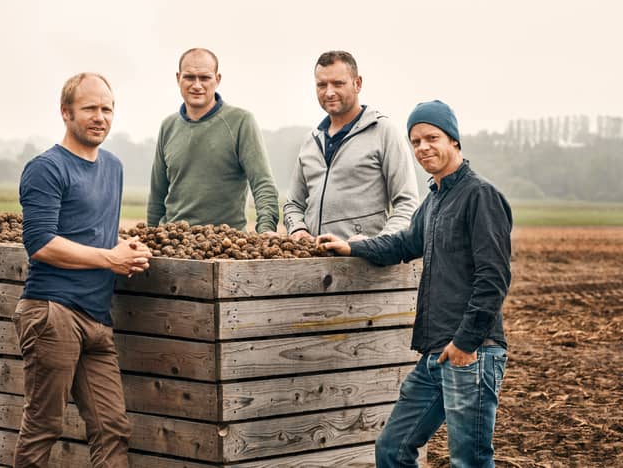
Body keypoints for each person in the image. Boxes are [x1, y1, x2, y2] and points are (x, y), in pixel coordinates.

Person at [318, 100, 512, 467]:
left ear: (453, 140)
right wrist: (351, 247)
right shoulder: (435, 200)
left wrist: (464, 344)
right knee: (392, 448)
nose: (423, 147)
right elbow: (405, 244)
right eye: (416, 141)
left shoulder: (480, 196)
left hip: (471, 352)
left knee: (468, 460)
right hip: (436, 354)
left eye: (431, 137)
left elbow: (494, 279)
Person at [15, 72, 152, 467]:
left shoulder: (113, 166)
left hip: (96, 317)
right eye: (90, 108)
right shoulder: (46, 168)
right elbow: (40, 243)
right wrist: (111, 259)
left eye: (107, 109)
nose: (100, 117)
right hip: (52, 312)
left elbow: (94, 233)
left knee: (112, 428)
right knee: (43, 426)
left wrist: (124, 248)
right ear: (65, 112)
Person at [283, 50, 418, 242]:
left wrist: (377, 246)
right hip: (314, 265)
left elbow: (407, 204)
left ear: (357, 83)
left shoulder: (384, 132)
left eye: (338, 83)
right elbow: (293, 204)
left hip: (365, 266)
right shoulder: (310, 141)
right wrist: (297, 228)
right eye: (322, 85)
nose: (329, 92)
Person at [147, 48, 279, 233]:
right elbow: (157, 194)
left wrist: (266, 230)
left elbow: (262, 183)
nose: (197, 85)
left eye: (205, 78)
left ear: (217, 79)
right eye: (189, 77)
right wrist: (150, 236)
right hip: (174, 241)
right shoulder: (168, 126)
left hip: (225, 244)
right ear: (178, 78)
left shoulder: (241, 122)